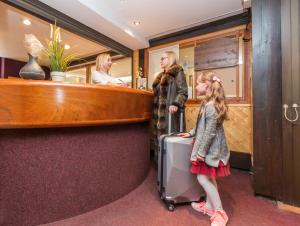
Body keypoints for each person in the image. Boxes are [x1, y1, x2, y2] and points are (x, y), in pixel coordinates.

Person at [178, 71, 230, 226]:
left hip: (210, 149)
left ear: (206, 85)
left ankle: (220, 212)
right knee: (208, 177)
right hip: (208, 148)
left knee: (202, 177)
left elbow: (209, 132)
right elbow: (201, 125)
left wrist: (200, 153)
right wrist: (191, 132)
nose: (196, 86)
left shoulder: (211, 106)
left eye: (198, 83)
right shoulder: (206, 103)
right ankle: (208, 206)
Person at [152, 51, 188, 164]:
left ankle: (172, 167)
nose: (161, 61)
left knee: (170, 139)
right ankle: (161, 169)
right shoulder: (160, 76)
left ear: (171, 59)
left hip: (170, 114)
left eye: (163, 58)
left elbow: (183, 92)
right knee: (160, 139)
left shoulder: (177, 72)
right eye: (160, 59)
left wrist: (176, 103)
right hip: (159, 115)